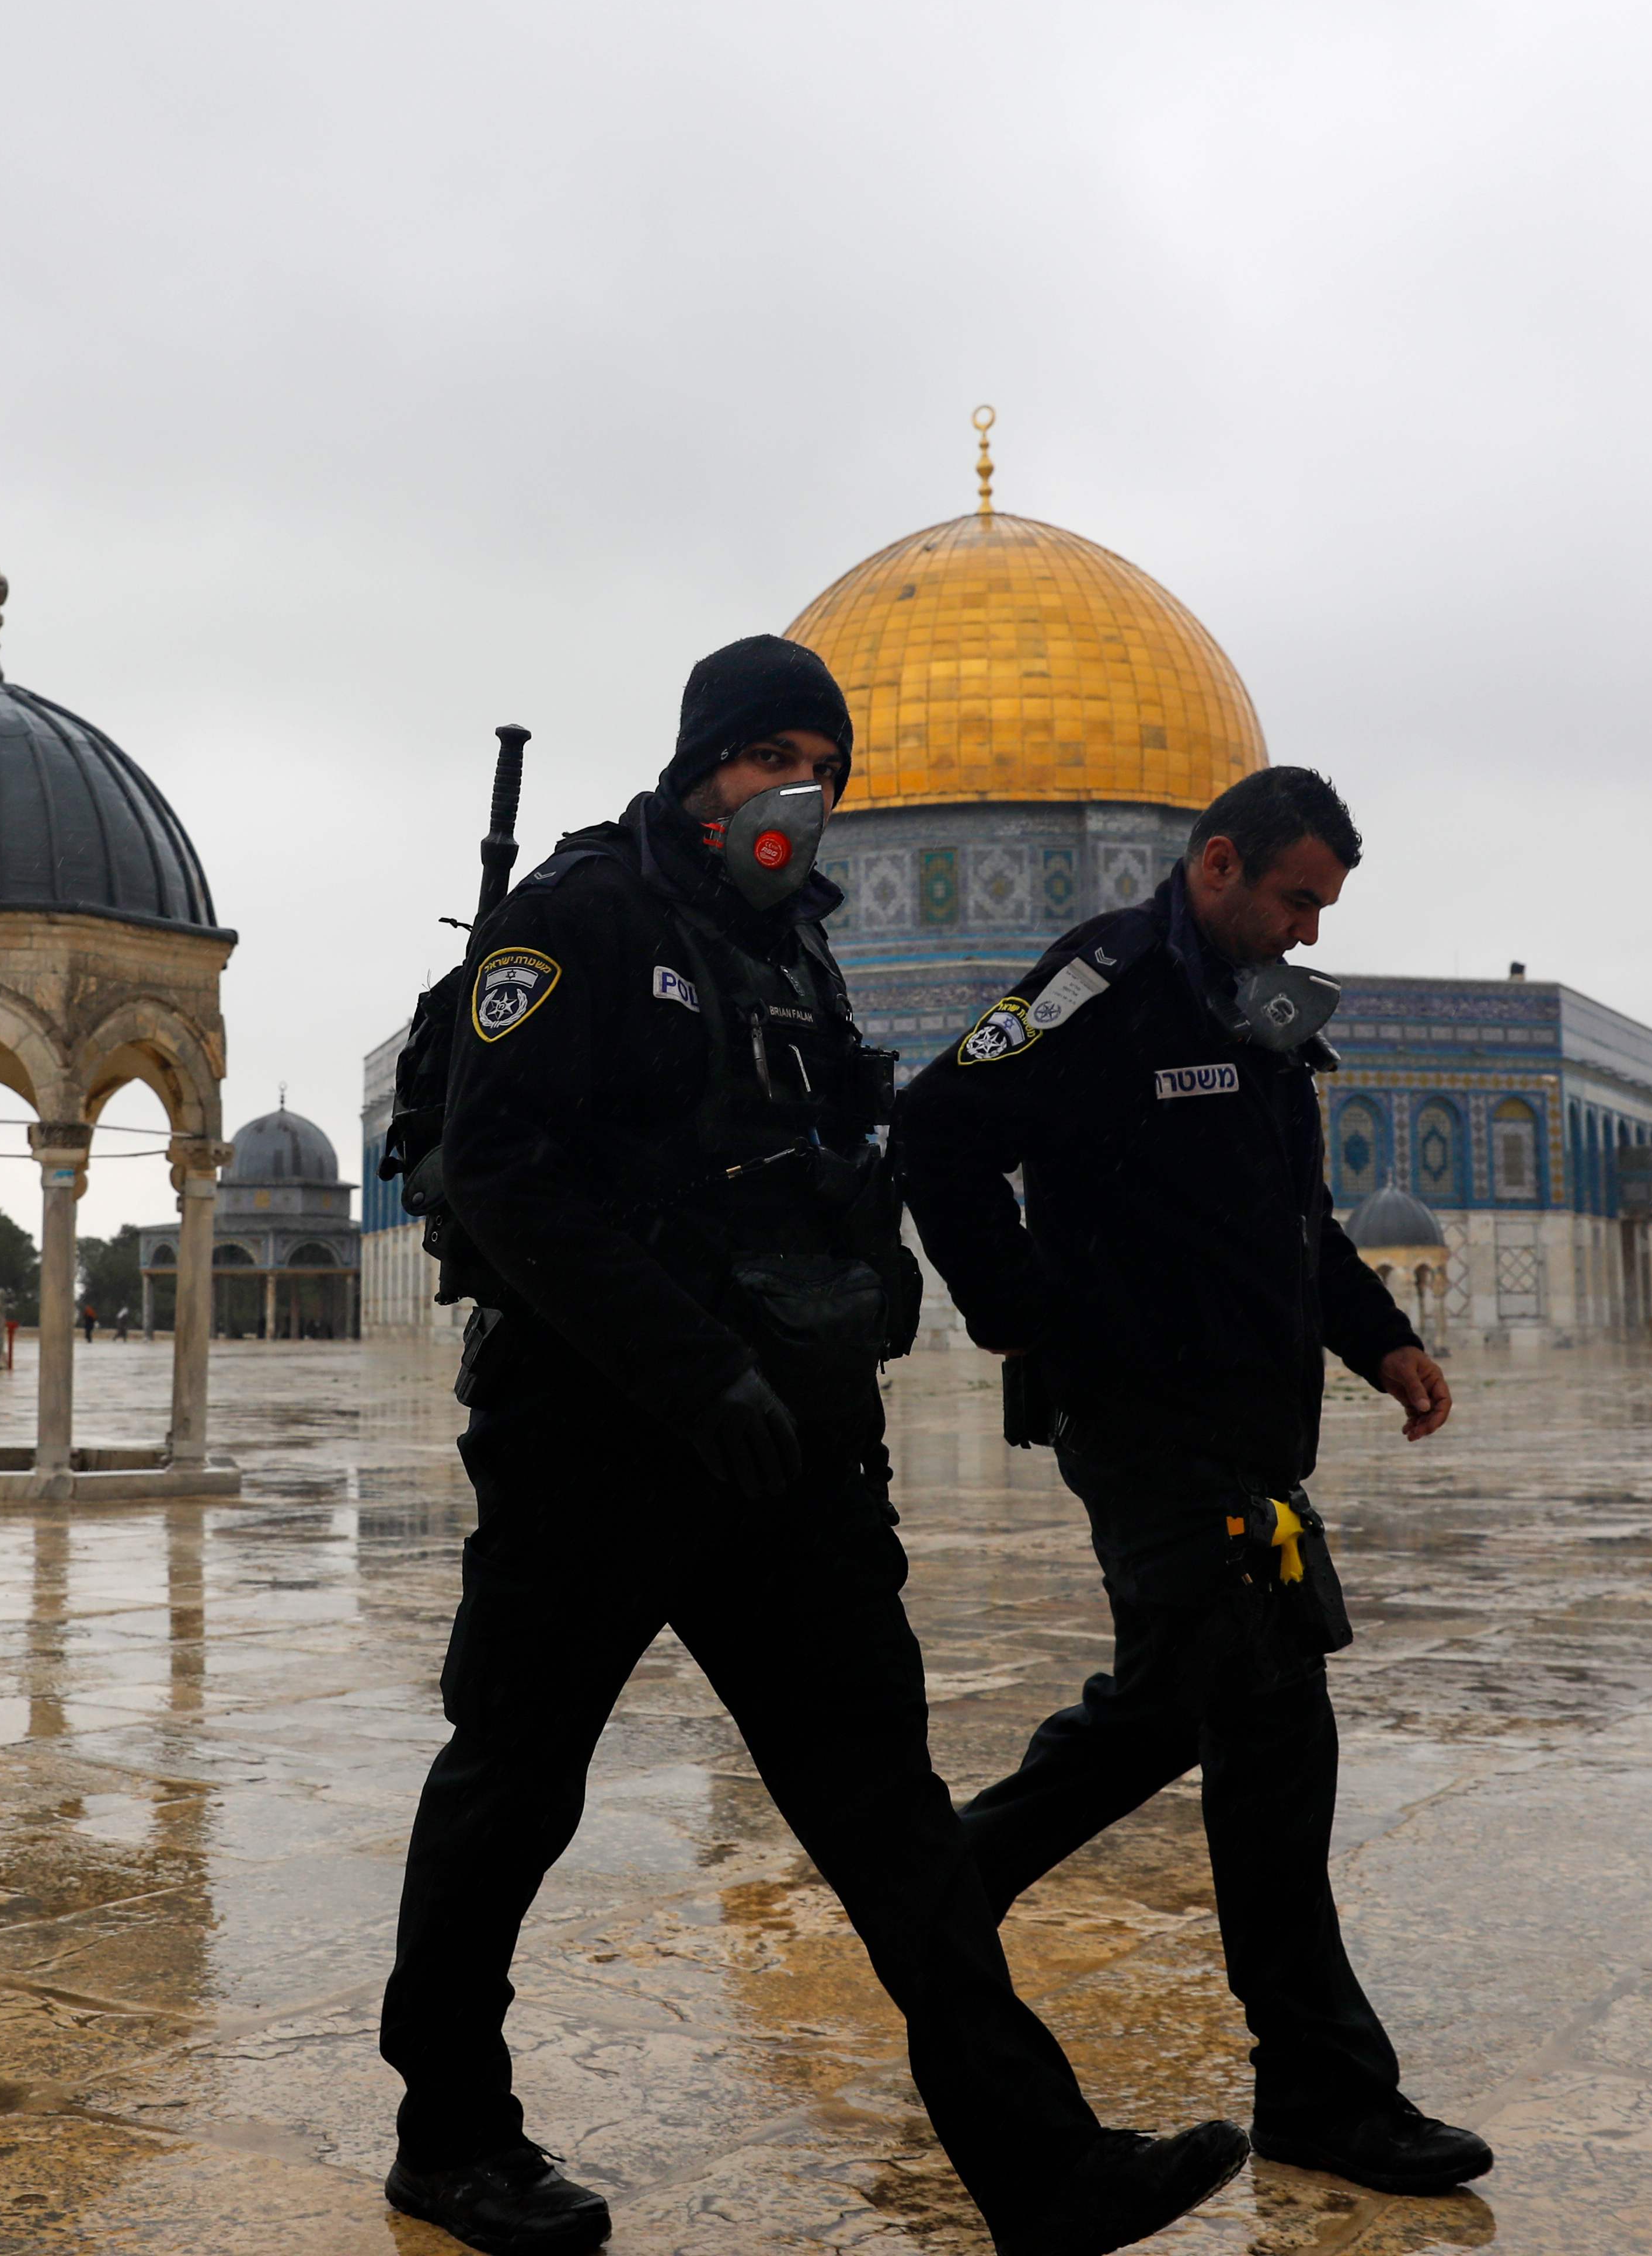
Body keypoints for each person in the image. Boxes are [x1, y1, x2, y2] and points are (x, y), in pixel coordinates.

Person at [376, 639, 1252, 2256]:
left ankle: (1043, 2171)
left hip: (782, 1467)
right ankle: (451, 2134)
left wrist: (875, 1306)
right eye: (766, 752)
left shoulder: (795, 954)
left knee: (889, 1819)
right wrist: (692, 1367)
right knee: (513, 1785)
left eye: (823, 764)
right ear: (699, 762)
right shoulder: (579, 920)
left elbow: (825, 1164)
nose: (798, 789)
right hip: (594, 1451)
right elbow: (504, 1176)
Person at [893, 765, 1494, 2201]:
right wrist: (1024, 1306)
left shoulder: (1264, 1011)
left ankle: (934, 1905)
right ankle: (1327, 2087)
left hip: (1248, 1431)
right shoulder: (1102, 981)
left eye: (1324, 908)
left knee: (1202, 1716)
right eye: (1294, 898)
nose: (1306, 931)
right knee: (1247, 1721)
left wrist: (1383, 1339)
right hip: (1149, 1424)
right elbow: (936, 1131)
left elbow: (1296, 1222)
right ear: (1217, 863)